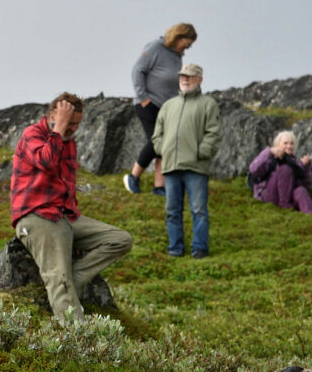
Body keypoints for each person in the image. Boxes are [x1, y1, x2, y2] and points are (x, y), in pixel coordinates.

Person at [11, 92, 133, 323]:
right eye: (69, 122)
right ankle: (77, 340)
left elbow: (67, 187)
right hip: (35, 216)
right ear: (52, 115)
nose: (72, 128)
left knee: (120, 239)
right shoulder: (32, 134)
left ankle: (66, 281)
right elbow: (46, 161)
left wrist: (72, 233)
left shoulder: (69, 142)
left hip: (63, 216)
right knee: (59, 278)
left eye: (76, 123)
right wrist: (59, 128)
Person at [152, 64, 222, 259]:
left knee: (198, 210)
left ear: (200, 79)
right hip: (171, 166)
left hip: (196, 167)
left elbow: (214, 133)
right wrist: (161, 149)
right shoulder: (168, 105)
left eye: (190, 76)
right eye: (183, 76)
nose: (185, 79)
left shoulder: (209, 104)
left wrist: (201, 152)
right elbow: (157, 134)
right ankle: (175, 248)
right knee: (172, 210)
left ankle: (200, 248)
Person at [123, 23, 198, 196]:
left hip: (168, 108)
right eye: (187, 42)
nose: (188, 46)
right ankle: (133, 177)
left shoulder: (177, 55)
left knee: (166, 145)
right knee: (158, 142)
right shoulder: (156, 47)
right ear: (179, 36)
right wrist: (143, 99)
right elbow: (137, 71)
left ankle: (159, 186)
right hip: (148, 104)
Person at [248, 131, 312, 215]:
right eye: (285, 143)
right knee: (285, 169)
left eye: (292, 143)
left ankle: (311, 217)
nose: (289, 146)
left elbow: (306, 185)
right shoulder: (270, 157)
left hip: (288, 196)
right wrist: (269, 151)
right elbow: (253, 168)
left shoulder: (294, 163)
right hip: (269, 195)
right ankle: (284, 206)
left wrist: (306, 167)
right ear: (277, 144)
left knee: (301, 190)